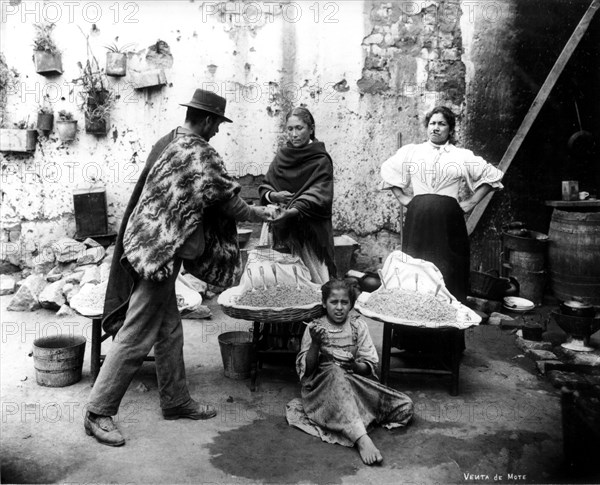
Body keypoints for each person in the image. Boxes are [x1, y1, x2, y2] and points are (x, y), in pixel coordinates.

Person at [84, 89, 274, 447]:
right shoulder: (198, 152)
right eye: (216, 124)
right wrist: (260, 213)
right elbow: (228, 201)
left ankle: (175, 400)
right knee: (137, 332)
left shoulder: (169, 142)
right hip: (159, 254)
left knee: (169, 330)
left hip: (148, 243)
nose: (216, 130)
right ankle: (99, 411)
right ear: (205, 120)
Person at [380, 106, 504, 303]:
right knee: (415, 270)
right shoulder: (413, 152)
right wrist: (403, 198)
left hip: (449, 221)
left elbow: (492, 176)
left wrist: (471, 202)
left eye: (441, 124)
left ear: (451, 129)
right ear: (427, 127)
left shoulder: (461, 156)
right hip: (418, 219)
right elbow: (388, 170)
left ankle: (445, 325)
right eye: (432, 123)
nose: (435, 128)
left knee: (448, 270)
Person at [286, 279, 414, 465]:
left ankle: (353, 418)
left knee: (405, 406)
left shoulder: (358, 326)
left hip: (353, 385)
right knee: (335, 372)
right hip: (322, 390)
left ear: (351, 304)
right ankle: (362, 439)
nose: (339, 308)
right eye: (333, 302)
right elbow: (308, 372)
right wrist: (315, 344)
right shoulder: (314, 328)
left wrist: (354, 366)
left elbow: (369, 366)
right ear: (324, 303)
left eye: (344, 303)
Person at [259, 107, 336, 284]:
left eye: (299, 128)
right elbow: (265, 185)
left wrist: (294, 211)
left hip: (307, 230)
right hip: (279, 227)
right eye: (290, 129)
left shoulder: (320, 159)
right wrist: (274, 196)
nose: (294, 134)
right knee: (278, 280)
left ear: (311, 128)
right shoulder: (282, 156)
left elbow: (321, 194)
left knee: (312, 282)